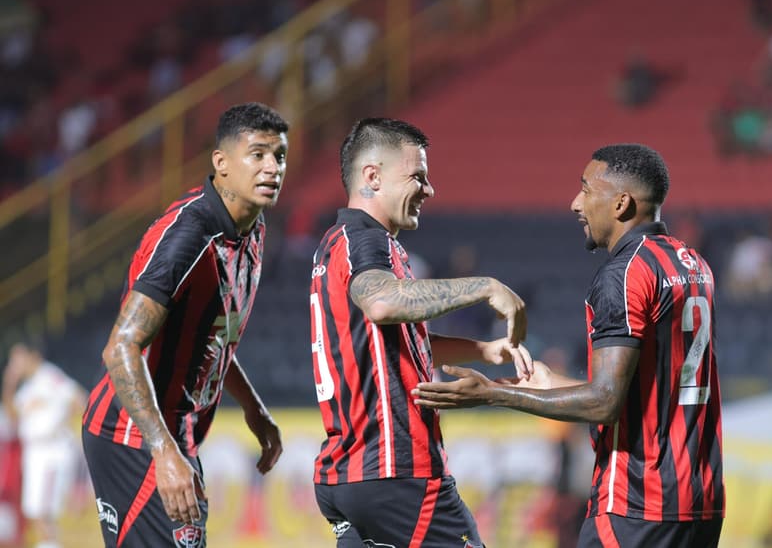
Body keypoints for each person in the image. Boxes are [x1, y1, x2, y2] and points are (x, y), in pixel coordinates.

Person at [414, 144, 725, 547]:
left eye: (586, 189)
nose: (575, 203)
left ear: (621, 203)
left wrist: (494, 393)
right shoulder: (692, 264)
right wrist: (549, 382)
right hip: (701, 501)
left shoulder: (623, 274)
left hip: (638, 503)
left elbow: (604, 402)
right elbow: (642, 393)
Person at [310, 117, 533, 547]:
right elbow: (382, 304)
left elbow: (394, 337)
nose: (429, 190)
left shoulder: (339, 244)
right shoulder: (365, 240)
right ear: (372, 177)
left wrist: (482, 350)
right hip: (397, 472)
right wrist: (485, 287)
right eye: (418, 176)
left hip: (349, 474)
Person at [81, 102, 288, 547]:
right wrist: (163, 451)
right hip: (132, 434)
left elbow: (210, 338)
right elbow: (120, 347)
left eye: (279, 156)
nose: (272, 167)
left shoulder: (252, 227)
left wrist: (253, 407)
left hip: (173, 434)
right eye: (257, 154)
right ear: (221, 163)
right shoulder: (187, 235)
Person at [1, 341, 87, 548]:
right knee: (34, 512)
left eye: (18, 357)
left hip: (52, 451)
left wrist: (61, 421)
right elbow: (12, 415)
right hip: (34, 452)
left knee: (45, 512)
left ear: (32, 356)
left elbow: (80, 399)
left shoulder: (50, 377)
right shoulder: (27, 387)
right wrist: (9, 383)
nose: (15, 364)